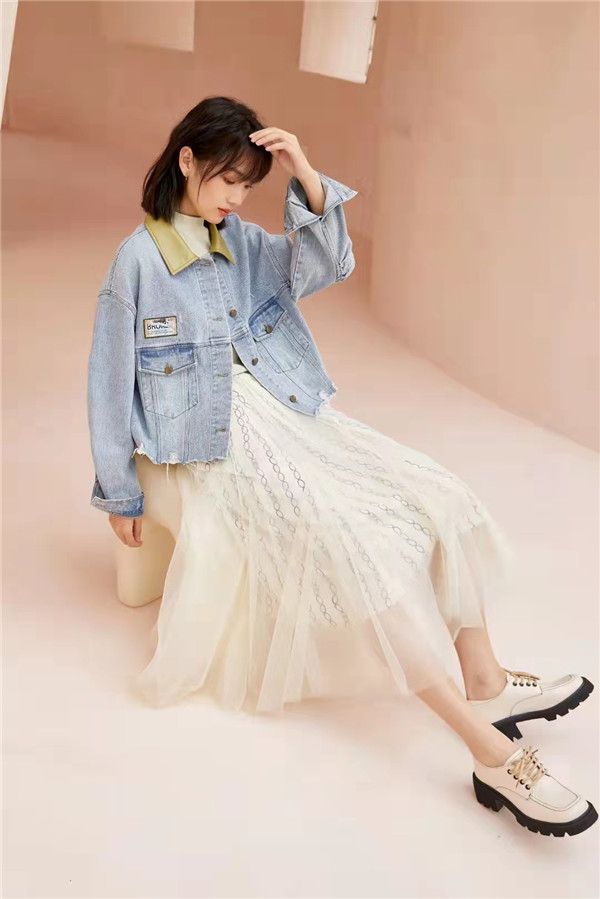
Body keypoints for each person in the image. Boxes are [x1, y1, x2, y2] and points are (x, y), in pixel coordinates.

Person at [87, 96, 597, 838]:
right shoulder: (137, 261)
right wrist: (119, 492)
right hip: (209, 440)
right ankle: (489, 751)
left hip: (289, 411)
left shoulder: (243, 243)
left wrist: (305, 172)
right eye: (227, 180)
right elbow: (108, 382)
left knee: (438, 494)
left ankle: (485, 680)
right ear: (186, 160)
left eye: (247, 186)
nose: (236, 199)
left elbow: (327, 263)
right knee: (351, 546)